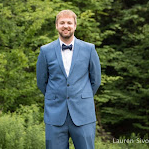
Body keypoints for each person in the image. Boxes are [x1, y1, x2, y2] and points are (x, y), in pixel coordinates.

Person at [36, 10, 101, 149]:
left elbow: (96, 80)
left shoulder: (89, 49)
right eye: (62, 23)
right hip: (55, 115)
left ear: (75, 26)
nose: (66, 26)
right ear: (56, 26)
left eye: (69, 23)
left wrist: (82, 96)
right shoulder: (45, 51)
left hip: (83, 114)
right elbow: (42, 82)